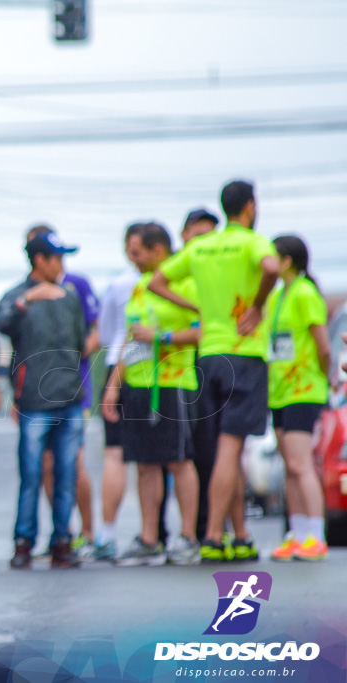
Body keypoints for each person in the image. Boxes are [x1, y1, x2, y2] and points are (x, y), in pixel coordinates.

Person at [149, 180, 279, 562]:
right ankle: (212, 535)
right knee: (230, 448)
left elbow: (158, 281)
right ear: (250, 208)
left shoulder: (202, 246)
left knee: (228, 448)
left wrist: (195, 307)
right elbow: (271, 267)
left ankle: (239, 534)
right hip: (244, 354)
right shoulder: (251, 242)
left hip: (207, 357)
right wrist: (257, 305)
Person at [102, 222, 202, 566]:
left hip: (175, 384)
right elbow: (131, 338)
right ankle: (149, 539)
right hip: (138, 385)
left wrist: (162, 338)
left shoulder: (187, 283)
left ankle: (187, 537)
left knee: (179, 460)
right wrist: (114, 384)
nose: (132, 259)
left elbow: (204, 332)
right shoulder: (140, 287)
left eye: (137, 252)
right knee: (145, 464)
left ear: (158, 250)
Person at [0, 232, 87, 569]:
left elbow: (80, 342)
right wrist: (28, 300)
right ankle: (24, 543)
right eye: (57, 258)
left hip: (70, 396)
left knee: (66, 474)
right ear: (40, 261)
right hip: (33, 399)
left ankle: (63, 541)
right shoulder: (16, 295)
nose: (62, 265)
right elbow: (1, 324)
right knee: (31, 474)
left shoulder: (70, 297)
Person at [25, 225, 99, 556]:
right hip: (37, 393)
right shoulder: (26, 294)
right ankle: (61, 531)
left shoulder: (76, 286)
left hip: (73, 386)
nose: (60, 263)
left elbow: (95, 333)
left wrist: (70, 356)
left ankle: (86, 532)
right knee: (43, 467)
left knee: (74, 464)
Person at [267, 235, 330, 561]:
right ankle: (297, 533)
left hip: (303, 390)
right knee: (289, 466)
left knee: (301, 463)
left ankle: (316, 537)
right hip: (278, 391)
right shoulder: (278, 295)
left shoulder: (305, 293)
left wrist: (323, 377)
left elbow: (323, 346)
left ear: (287, 260)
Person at [89, 223, 145, 561]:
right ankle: (162, 536)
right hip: (165, 369)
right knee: (161, 460)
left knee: (116, 454)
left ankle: (107, 535)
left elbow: (108, 334)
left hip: (119, 367)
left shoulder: (120, 285)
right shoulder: (179, 282)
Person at [179, 207, 219, 542]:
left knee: (208, 452)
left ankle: (206, 529)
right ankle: (168, 534)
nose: (203, 243)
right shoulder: (177, 275)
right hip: (174, 376)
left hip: (210, 370)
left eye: (210, 237)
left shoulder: (214, 276)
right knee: (170, 458)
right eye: (198, 235)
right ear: (184, 236)